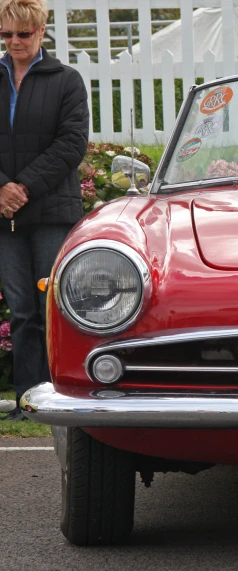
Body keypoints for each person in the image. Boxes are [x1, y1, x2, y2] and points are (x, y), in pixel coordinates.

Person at [0, 0, 89, 421]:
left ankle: (63, 398)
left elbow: (72, 144)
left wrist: (22, 187)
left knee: (54, 309)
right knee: (21, 312)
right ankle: (28, 402)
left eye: (23, 33)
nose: (14, 42)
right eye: (6, 35)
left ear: (41, 32)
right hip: (4, 217)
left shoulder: (67, 81)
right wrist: (2, 189)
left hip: (51, 213)